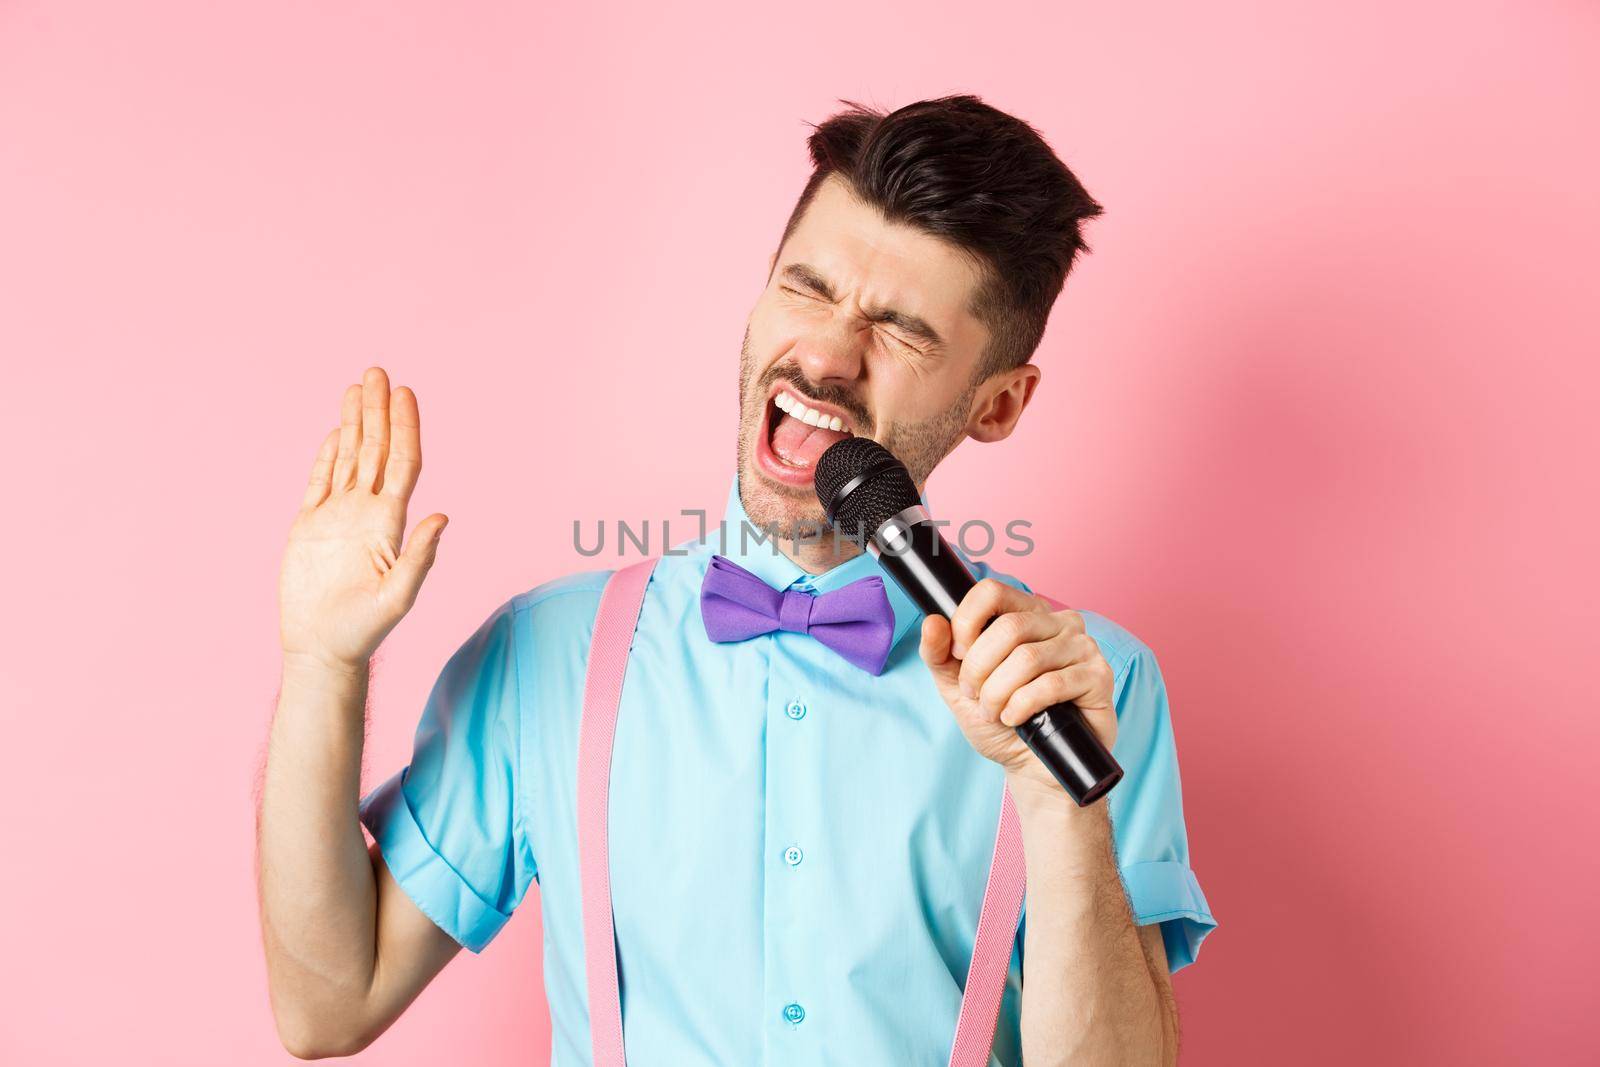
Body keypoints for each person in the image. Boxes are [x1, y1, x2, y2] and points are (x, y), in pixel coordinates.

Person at [257, 95, 1216, 1065]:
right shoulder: (549, 651)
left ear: (997, 402)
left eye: (900, 330)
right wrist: (320, 664)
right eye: (805, 288)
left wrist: (1059, 804)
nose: (827, 355)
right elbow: (328, 1004)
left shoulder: (1084, 685)